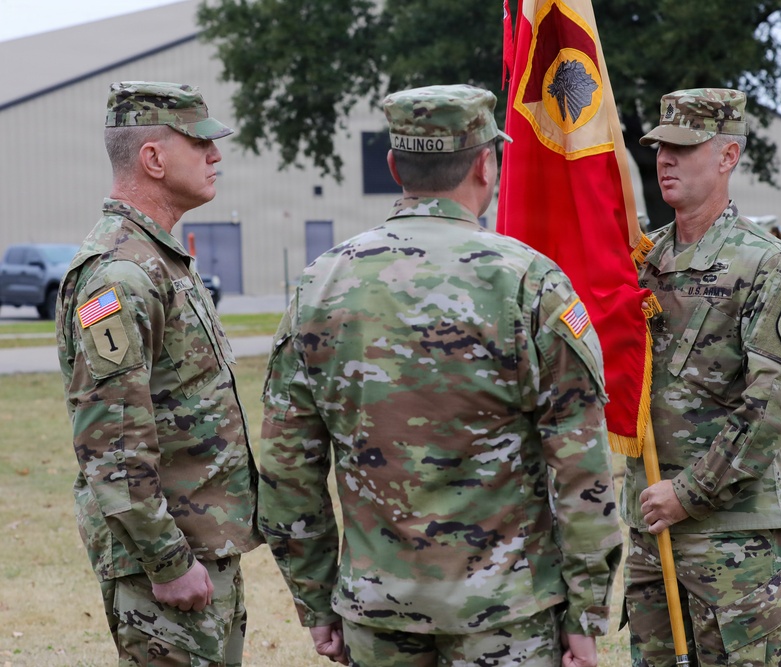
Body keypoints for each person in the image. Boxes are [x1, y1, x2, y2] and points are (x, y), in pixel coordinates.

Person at [257, 84, 623, 667]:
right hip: (509, 615)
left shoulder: (319, 283)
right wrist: (587, 613)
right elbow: (581, 465)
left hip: (377, 611)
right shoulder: (529, 281)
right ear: (486, 163)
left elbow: (286, 468)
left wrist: (316, 600)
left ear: (394, 166)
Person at [55, 81, 261, 665]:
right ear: (153, 158)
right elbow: (111, 440)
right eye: (201, 143)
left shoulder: (156, 259)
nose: (215, 156)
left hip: (198, 548)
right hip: (167, 565)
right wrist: (167, 560)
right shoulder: (119, 275)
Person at [622, 88, 781, 666]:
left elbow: (774, 403)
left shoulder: (766, 263)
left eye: (684, 147)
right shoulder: (640, 262)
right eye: (660, 147)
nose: (665, 160)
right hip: (653, 531)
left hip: (736, 541)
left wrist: (689, 493)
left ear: (728, 157)